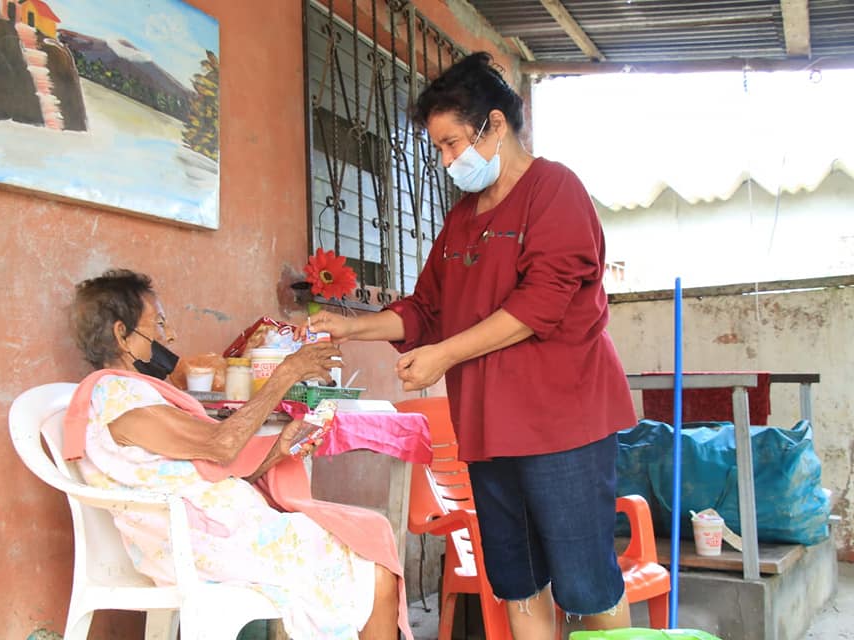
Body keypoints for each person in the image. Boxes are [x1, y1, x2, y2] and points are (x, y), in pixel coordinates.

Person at [300, 52, 637, 638]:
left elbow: (541, 304)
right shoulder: (462, 219)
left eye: (452, 143)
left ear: (495, 125)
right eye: (440, 148)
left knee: (587, 583)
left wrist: (444, 355)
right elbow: (426, 308)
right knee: (517, 581)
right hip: (488, 429)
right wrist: (354, 327)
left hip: (563, 423)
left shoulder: (554, 190)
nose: (447, 160)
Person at [64, 269, 410, 640]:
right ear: (122, 334)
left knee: (369, 541)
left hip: (225, 531)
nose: (169, 336)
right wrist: (286, 374)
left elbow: (211, 471)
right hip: (202, 545)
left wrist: (279, 448)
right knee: (374, 572)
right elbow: (222, 445)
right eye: (158, 324)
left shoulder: (138, 394)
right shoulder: (117, 398)